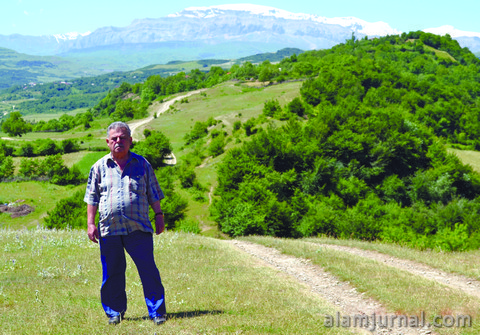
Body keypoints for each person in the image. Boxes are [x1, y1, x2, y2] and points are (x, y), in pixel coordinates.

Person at [84, 121, 167, 325]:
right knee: (112, 272)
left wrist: (159, 216)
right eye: (114, 139)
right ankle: (114, 312)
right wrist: (90, 224)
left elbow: (153, 193)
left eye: (122, 138)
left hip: (138, 228)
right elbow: (92, 198)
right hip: (109, 228)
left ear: (130, 140)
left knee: (148, 270)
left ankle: (157, 312)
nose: (118, 141)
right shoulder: (99, 167)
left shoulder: (142, 164)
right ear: (108, 142)